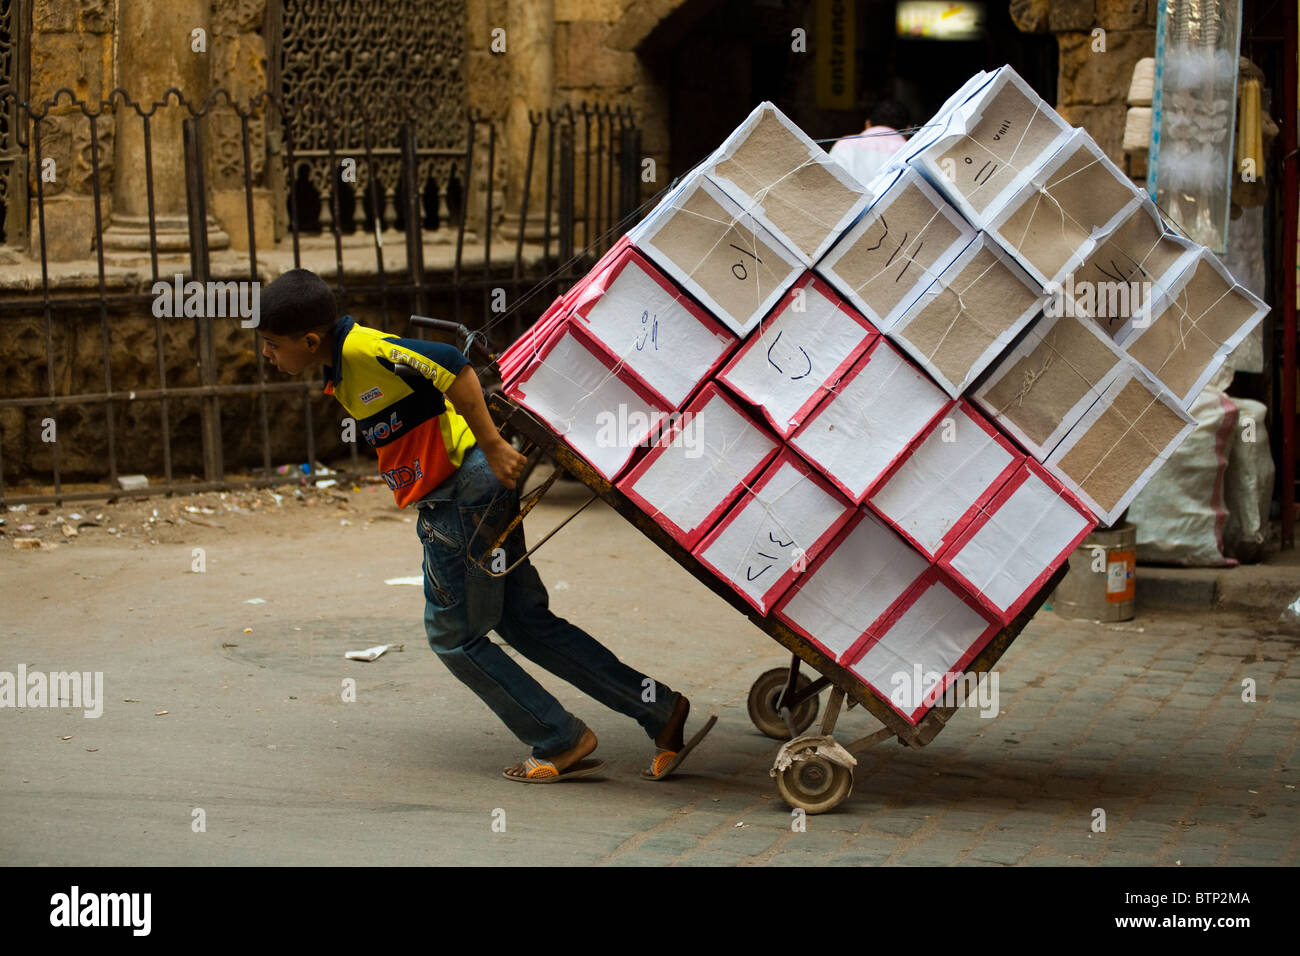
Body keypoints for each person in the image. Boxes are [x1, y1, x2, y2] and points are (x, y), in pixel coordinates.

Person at [254, 269, 715, 783]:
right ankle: (659, 708)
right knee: (522, 621)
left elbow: (453, 364)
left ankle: (559, 737)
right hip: (469, 490)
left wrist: (493, 445)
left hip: (460, 496)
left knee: (453, 638)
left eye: (272, 345)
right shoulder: (345, 363)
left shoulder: (362, 352)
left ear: (310, 340)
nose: (268, 356)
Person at [828, 98, 910, 187]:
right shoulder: (909, 151)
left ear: (867, 124)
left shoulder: (844, 144)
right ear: (908, 129)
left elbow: (830, 183)